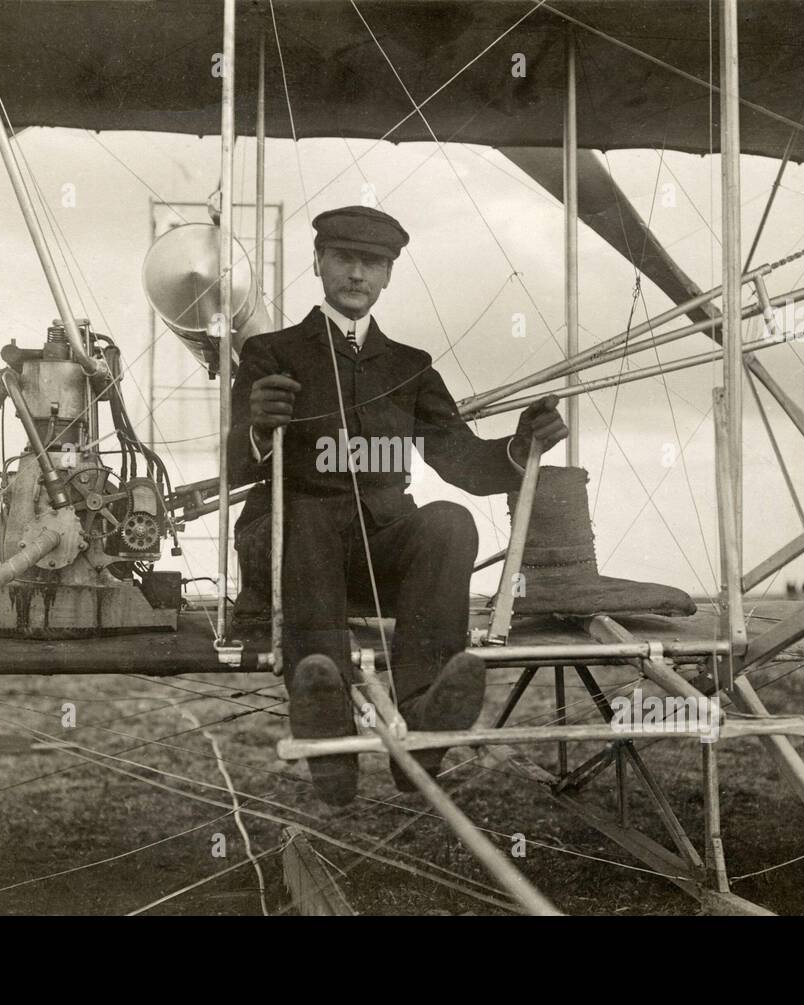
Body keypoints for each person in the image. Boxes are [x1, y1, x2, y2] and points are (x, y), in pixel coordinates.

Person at [227, 205, 567, 805]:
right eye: (345, 259)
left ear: (388, 276)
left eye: (373, 264)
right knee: (305, 515)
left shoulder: (411, 368)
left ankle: (425, 722)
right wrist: (257, 427)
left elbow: (461, 462)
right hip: (288, 548)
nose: (358, 274)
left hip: (372, 550)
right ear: (319, 263)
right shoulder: (270, 354)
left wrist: (521, 445)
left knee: (448, 522)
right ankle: (323, 714)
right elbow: (231, 466)